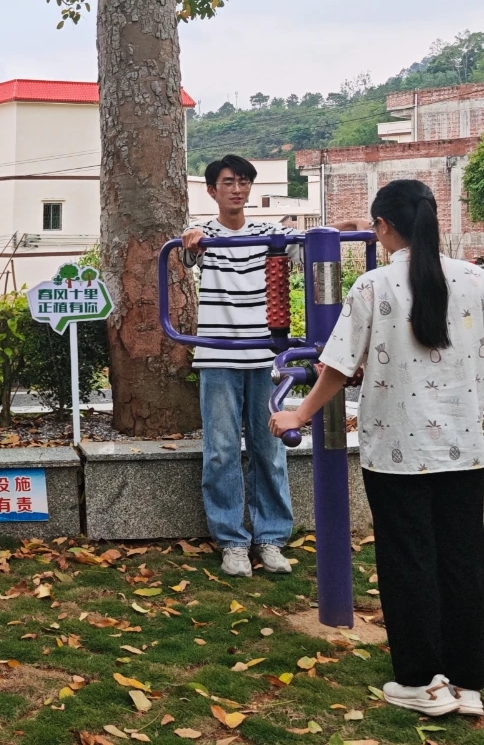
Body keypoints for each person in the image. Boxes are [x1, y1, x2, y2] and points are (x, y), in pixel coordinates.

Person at [271, 180, 484, 717]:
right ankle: (468, 683)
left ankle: (419, 682)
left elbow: (337, 365)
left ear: (383, 227)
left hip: (398, 451)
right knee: (463, 559)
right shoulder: (475, 279)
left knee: (409, 560)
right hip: (466, 446)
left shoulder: (374, 284)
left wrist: (299, 414)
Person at [183, 154, 359, 577]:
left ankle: (271, 538)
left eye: (244, 182)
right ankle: (232, 541)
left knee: (270, 447)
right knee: (221, 451)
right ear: (212, 190)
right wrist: (191, 239)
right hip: (219, 356)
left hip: (264, 357)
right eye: (229, 182)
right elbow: (188, 247)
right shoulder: (203, 234)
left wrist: (342, 229)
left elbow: (307, 244)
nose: (237, 189)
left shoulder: (268, 233)